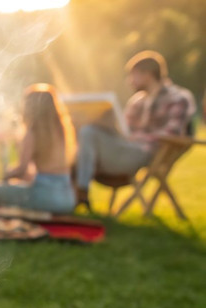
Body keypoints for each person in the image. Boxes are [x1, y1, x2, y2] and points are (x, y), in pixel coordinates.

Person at [74, 50, 196, 206]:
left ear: (147, 74)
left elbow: (172, 133)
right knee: (82, 129)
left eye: (133, 75)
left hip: (144, 153)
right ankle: (75, 192)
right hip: (124, 148)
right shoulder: (137, 101)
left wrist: (135, 137)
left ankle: (79, 192)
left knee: (87, 133)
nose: (129, 81)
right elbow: (125, 129)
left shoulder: (178, 98)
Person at [0, 84, 77, 214]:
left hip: (44, 197)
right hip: (67, 199)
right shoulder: (62, 130)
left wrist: (6, 175)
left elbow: (22, 170)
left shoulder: (33, 132)